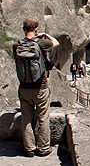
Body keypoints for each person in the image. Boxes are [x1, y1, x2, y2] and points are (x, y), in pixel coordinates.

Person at [14, 18, 59, 157]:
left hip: (24, 88)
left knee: (26, 118)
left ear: (23, 29)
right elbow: (56, 43)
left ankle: (29, 148)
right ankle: (44, 148)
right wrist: (45, 35)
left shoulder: (17, 45)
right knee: (43, 117)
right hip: (41, 87)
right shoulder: (41, 43)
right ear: (36, 28)